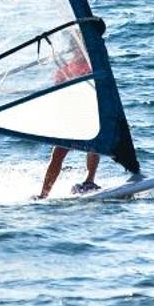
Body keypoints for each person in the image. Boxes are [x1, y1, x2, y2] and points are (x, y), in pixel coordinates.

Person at [35, 28, 101, 198]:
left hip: (90, 114)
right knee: (57, 155)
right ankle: (43, 194)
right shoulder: (65, 69)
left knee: (96, 143)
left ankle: (89, 180)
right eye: (74, 46)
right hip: (71, 117)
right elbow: (58, 94)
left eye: (80, 46)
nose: (77, 49)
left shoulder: (93, 64)